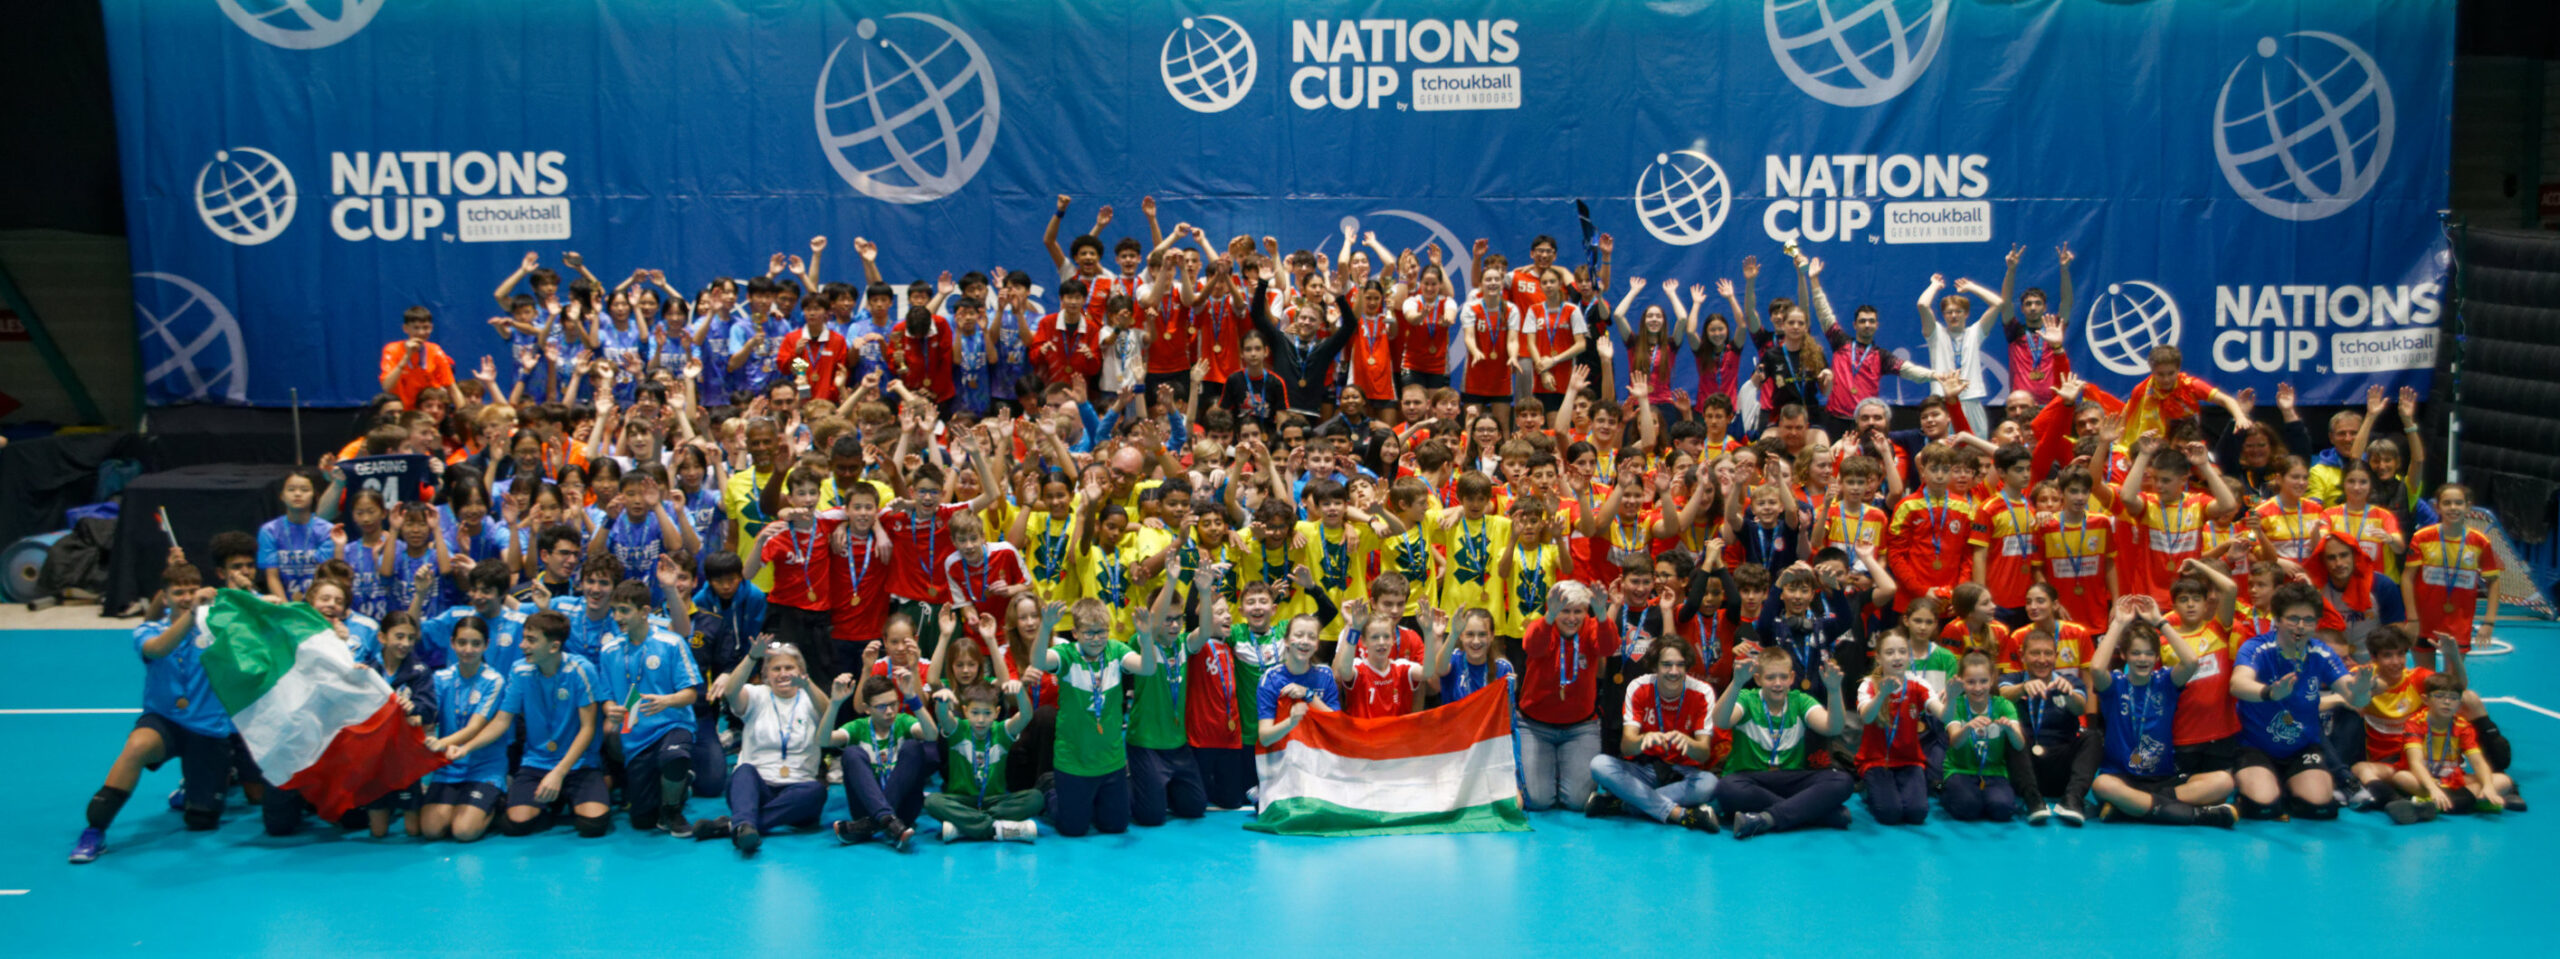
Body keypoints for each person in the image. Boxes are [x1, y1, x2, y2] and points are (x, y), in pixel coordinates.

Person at [71, 562, 262, 863]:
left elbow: (260, 615)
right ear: (165, 597)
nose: (186, 597)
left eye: (192, 591)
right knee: (136, 747)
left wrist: (246, 588)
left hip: (208, 730)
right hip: (165, 722)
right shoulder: (149, 630)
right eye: (179, 592)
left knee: (201, 821)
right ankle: (94, 831)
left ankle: (194, 788)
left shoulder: (219, 629)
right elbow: (158, 649)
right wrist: (192, 613)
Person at [440, 610, 613, 838]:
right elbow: (501, 721)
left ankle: (570, 795)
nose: (522, 645)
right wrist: (466, 748)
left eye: (531, 640)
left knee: (593, 825)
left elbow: (588, 728)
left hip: (578, 763)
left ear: (553, 647)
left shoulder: (581, 670)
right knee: (515, 825)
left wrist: (559, 773)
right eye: (523, 638)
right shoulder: (520, 671)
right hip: (537, 762)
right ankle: (551, 804)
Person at [2086, 596, 2239, 827]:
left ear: (2157, 657)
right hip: (2122, 778)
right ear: (2125, 656)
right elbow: (2096, 668)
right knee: (2102, 785)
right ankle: (2198, 815)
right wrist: (2118, 624)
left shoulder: (2165, 682)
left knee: (2224, 781)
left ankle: (2132, 808)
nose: (2143, 659)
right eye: (2136, 653)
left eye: (2149, 653)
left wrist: (2160, 622)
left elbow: (2191, 661)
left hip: (2164, 779)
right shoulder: (2114, 685)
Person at [2229, 583, 2377, 820]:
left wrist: (2361, 689)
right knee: (2262, 807)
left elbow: (2354, 697)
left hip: (2301, 748)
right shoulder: (2257, 648)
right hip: (2255, 746)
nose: (2301, 626)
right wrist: (2269, 692)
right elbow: (2238, 684)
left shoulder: (2321, 653)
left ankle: (2287, 786)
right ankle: (2266, 787)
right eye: (2293, 618)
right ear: (2277, 619)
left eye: (2308, 620)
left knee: (2320, 808)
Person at [701, 635, 833, 855]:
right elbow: (731, 691)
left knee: (816, 791)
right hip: (756, 790)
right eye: (776, 669)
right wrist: (752, 657)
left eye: (789, 668)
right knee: (743, 771)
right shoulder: (756, 695)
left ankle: (739, 825)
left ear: (801, 671)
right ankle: (745, 824)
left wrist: (807, 683)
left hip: (796, 791)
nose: (783, 673)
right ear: (766, 674)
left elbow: (828, 711)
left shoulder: (810, 697)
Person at [595, 571, 703, 834]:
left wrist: (667, 700)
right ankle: (678, 783)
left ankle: (672, 809)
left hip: (672, 724)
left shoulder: (671, 643)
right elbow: (606, 697)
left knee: (674, 756)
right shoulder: (609, 651)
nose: (617, 617)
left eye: (624, 610)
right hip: (635, 735)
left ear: (644, 612)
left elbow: (691, 693)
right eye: (614, 610)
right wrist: (610, 710)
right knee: (642, 821)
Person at [1043, 598, 1162, 837]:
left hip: (1111, 761)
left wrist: (1146, 636)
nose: (1096, 638)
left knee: (1116, 826)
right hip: (1074, 762)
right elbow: (1038, 661)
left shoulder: (1116, 651)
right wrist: (1046, 628)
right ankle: (1051, 791)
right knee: (1073, 829)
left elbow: (1148, 668)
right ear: (1075, 632)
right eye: (1089, 633)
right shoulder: (1066, 655)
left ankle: (1089, 803)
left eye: (1102, 632)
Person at [1711, 645, 1852, 839]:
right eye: (1770, 677)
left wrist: (1834, 691)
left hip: (1791, 778)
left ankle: (1766, 818)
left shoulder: (1801, 701)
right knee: (1727, 788)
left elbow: (1833, 728)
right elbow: (1721, 721)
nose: (1777, 683)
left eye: (1783, 677)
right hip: (1751, 779)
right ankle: (1817, 813)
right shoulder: (1747, 698)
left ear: (1792, 678)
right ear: (1758, 679)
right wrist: (1736, 683)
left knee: (1842, 781)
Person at [1587, 636, 1720, 831]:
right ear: (1655, 666)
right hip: (1644, 769)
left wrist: (1690, 744)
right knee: (1599, 765)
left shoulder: (1702, 692)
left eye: (1680, 665)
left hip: (1681, 773)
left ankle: (1627, 802)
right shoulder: (1639, 687)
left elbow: (1703, 753)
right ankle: (1679, 814)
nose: (1674, 671)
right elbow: (1627, 747)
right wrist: (1642, 740)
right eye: (1666, 665)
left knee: (1709, 784)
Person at [1517, 581, 1614, 813]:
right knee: (1538, 801)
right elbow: (1533, 647)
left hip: (1580, 728)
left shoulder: (1592, 627)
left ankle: (1560, 768)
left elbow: (1608, 648)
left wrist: (1602, 615)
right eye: (1565, 611)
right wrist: (1549, 617)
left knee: (1578, 802)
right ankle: (1551, 770)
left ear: (1586, 611)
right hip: (1535, 728)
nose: (1571, 618)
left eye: (1577, 611)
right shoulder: (1541, 625)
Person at [418, 614, 506, 843]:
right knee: (431, 830)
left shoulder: (494, 680)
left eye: (476, 644)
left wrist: (441, 743)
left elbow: (475, 727)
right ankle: (463, 804)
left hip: (483, 766)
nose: (468, 650)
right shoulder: (441, 678)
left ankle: (498, 802)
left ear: (486, 645)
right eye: (462, 642)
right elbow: (429, 718)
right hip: (449, 764)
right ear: (452, 643)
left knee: (464, 831)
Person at [829, 669, 939, 850]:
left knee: (913, 747)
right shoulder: (858, 727)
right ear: (867, 708)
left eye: (893, 704)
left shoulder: (903, 722)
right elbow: (824, 740)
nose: (889, 711)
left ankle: (869, 825)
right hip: (865, 806)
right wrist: (834, 704)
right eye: (881, 706)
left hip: (904, 810)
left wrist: (912, 697)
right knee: (851, 753)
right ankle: (888, 822)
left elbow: (931, 734)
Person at [924, 679, 1043, 842]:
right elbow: (943, 716)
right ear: (965, 711)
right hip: (961, 801)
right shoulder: (958, 729)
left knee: (1036, 798)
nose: (981, 719)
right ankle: (997, 829)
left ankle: (965, 827)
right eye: (975, 713)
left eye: (987, 713)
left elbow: (1026, 716)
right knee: (932, 801)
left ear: (997, 712)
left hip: (995, 802)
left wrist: (1021, 692)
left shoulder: (1002, 731)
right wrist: (942, 701)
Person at [1853, 630, 1940, 826]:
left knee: (1917, 813)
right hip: (1876, 761)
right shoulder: (1868, 684)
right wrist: (1882, 694)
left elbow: (1945, 715)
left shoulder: (1918, 684)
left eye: (1902, 651)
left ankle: (1896, 788)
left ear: (1909, 655)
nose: (1897, 657)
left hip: (1909, 761)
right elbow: (1867, 717)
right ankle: (1868, 786)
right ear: (1878, 657)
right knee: (1890, 814)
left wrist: (1951, 697)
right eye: (1890, 652)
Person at [1942, 651, 2025, 822]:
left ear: (1992, 679)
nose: (1978, 688)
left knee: (2002, 809)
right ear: (1961, 681)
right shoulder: (1956, 705)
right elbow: (1955, 743)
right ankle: (1945, 791)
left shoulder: (2003, 705)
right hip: (1960, 770)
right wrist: (1967, 728)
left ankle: (1985, 798)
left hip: (1994, 772)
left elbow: (2020, 745)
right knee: (1968, 807)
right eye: (1971, 682)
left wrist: (2010, 730)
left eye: (1983, 681)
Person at [258, 470, 335, 601]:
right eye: (291, 489)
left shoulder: (327, 530)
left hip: (318, 602)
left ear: (315, 496)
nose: (298, 494)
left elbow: (325, 576)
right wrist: (286, 608)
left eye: (304, 490)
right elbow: (272, 576)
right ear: (282, 496)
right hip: (282, 603)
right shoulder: (269, 530)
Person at [380, 305, 457, 410]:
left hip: (426, 412)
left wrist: (464, 416)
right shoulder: (392, 349)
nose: (421, 332)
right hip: (402, 412)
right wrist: (407, 356)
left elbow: (452, 388)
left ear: (431, 328)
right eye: (416, 328)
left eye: (425, 328)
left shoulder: (435, 351)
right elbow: (387, 387)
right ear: (405, 328)